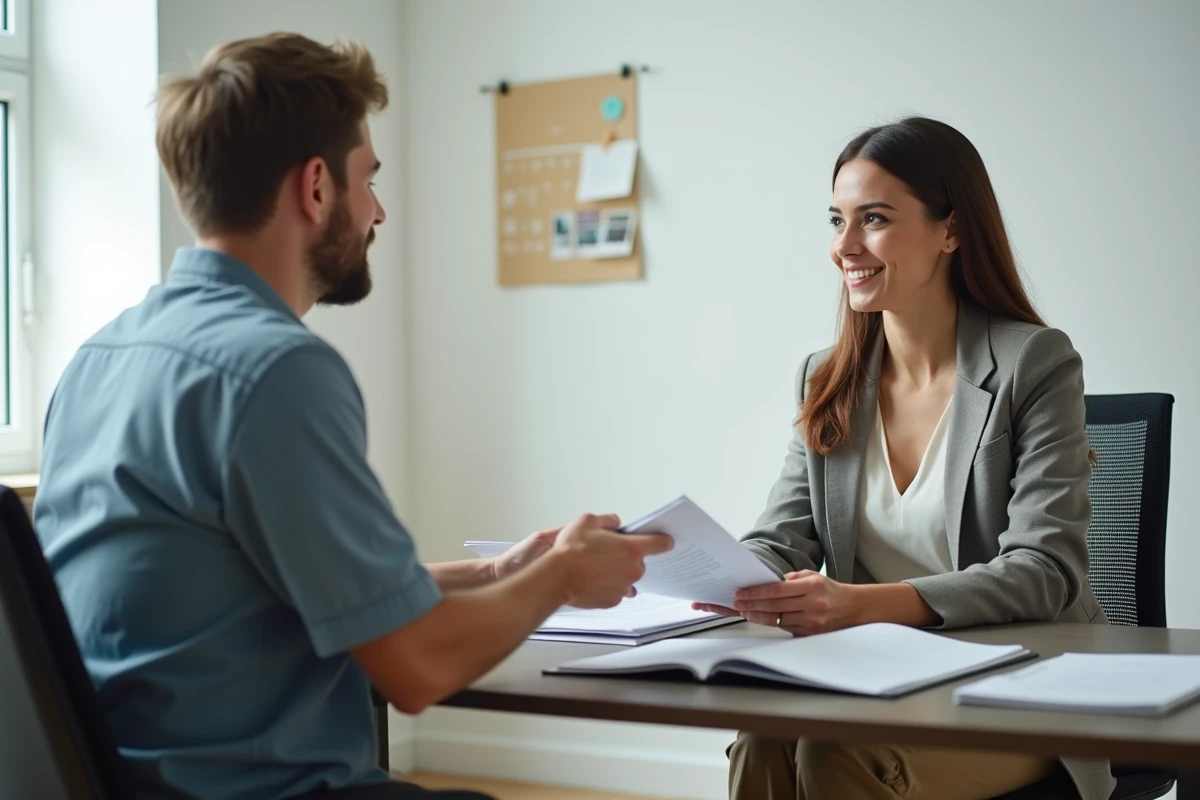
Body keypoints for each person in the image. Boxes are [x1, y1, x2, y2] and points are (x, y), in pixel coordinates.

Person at [33, 33, 671, 800]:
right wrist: (565, 575)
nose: (379, 211)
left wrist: (495, 573)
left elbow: (271, 589)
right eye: (368, 179)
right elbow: (417, 668)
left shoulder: (99, 358)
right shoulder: (276, 371)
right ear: (315, 187)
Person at [693, 117, 1114, 800]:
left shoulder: (1032, 363)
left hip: (1021, 687)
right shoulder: (827, 376)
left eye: (875, 219)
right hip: (876, 678)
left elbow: (1045, 570)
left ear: (950, 230)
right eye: (837, 220)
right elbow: (782, 538)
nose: (844, 247)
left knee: (835, 757)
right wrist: (719, 581)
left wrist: (860, 605)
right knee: (764, 736)